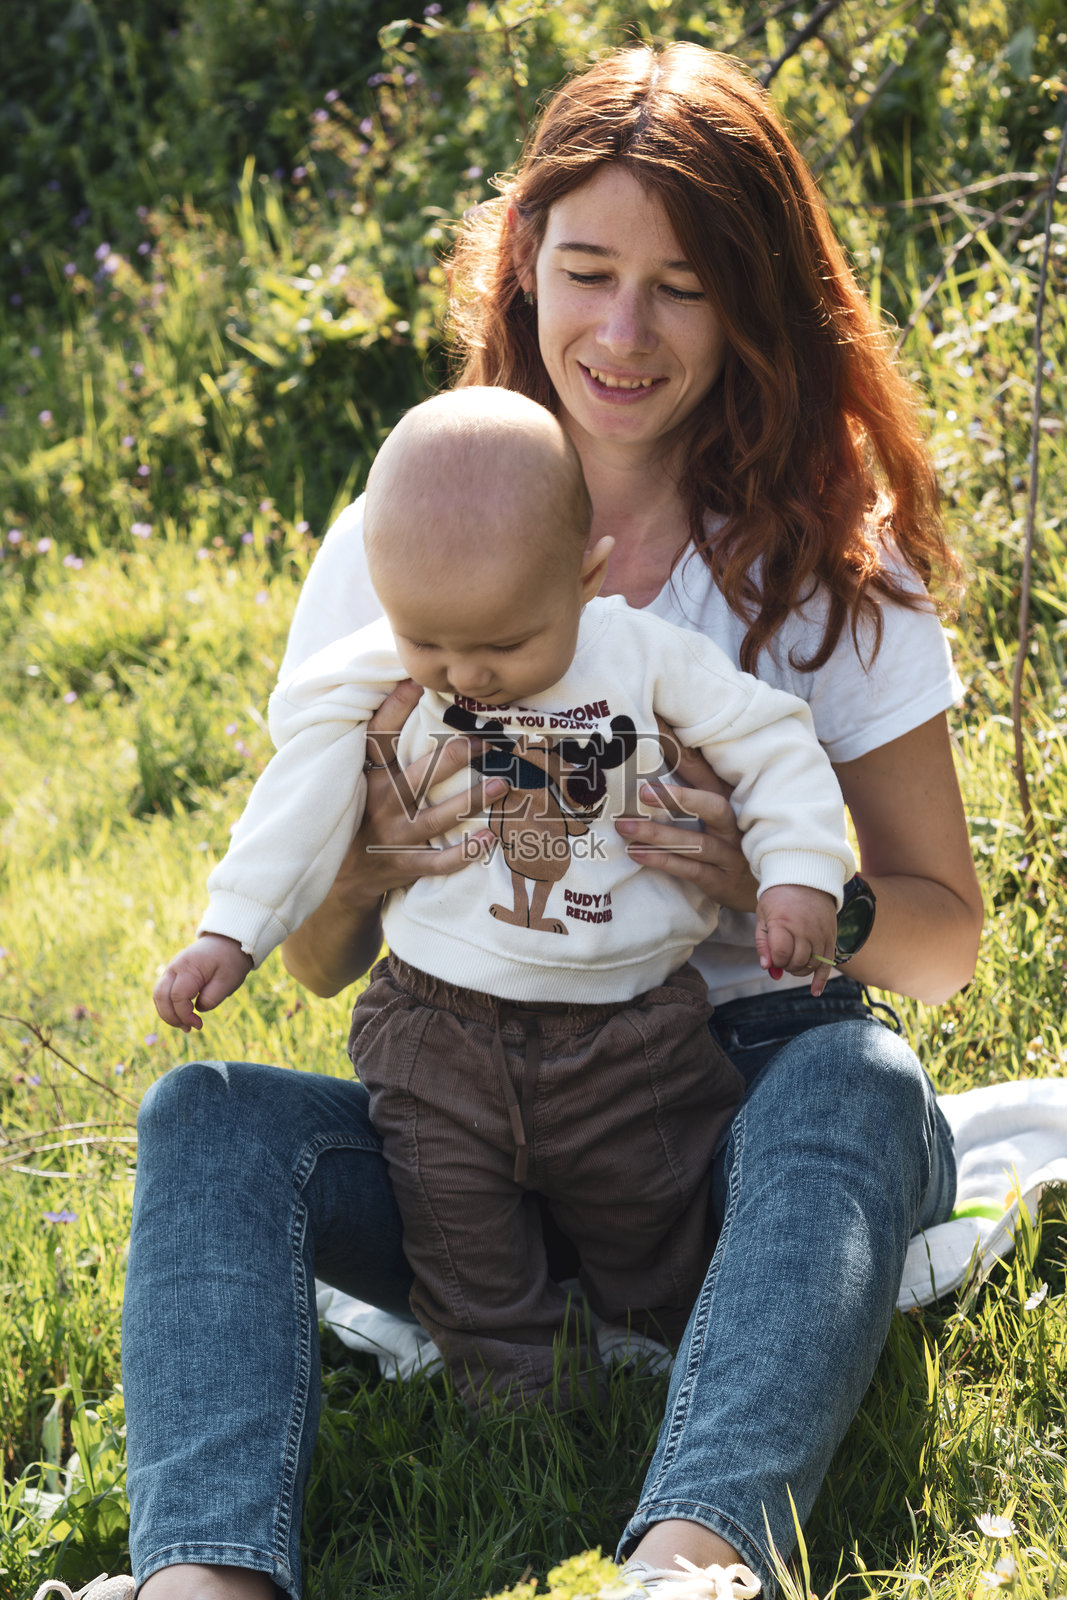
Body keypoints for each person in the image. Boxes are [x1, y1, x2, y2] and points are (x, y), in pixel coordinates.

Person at [117, 40, 983, 1600]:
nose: (623, 332)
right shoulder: (409, 530)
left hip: (725, 1125)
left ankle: (692, 1553)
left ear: (751, 302)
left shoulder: (822, 569)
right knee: (209, 1123)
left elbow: (942, 941)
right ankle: (201, 1578)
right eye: (586, 271)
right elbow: (321, 966)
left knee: (857, 1073)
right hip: (470, 1135)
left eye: (684, 285)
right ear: (523, 269)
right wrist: (361, 872)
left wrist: (790, 896)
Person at [152, 386, 853, 1412]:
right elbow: (294, 800)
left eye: (503, 648)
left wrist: (796, 873)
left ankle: (665, 1355)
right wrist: (233, 930)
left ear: (586, 576)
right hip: (439, 1028)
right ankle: (520, 1409)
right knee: (458, 1235)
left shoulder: (641, 656)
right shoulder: (379, 669)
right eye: (430, 646)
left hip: (633, 1028)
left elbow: (771, 740)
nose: (465, 676)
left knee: (654, 1213)